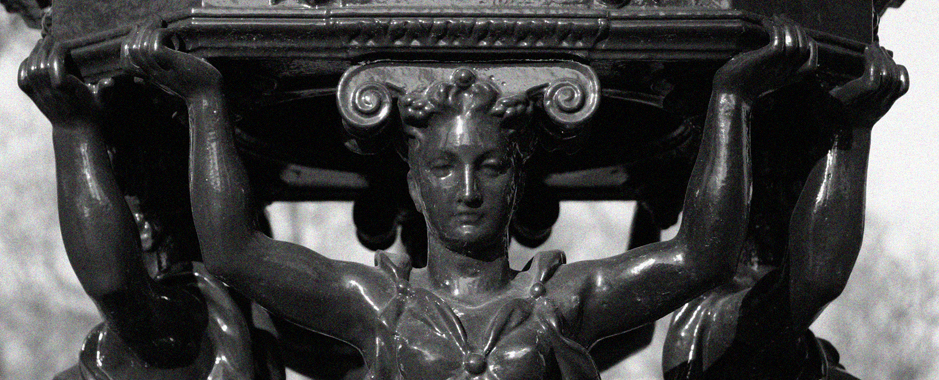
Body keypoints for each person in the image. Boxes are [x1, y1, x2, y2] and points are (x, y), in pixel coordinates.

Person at [121, 16, 815, 379]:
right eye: (443, 168)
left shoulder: (559, 303)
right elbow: (234, 252)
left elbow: (701, 255)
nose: (466, 189)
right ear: (413, 185)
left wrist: (729, 101)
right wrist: (206, 100)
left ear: (518, 179)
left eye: (490, 167)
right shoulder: (379, 308)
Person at [19, 36, 262, 379]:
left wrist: (74, 129)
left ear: (143, 227)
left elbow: (117, 291)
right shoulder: (239, 316)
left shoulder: (190, 327)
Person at [662, 44, 909, 379]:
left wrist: (651, 213)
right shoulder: (711, 321)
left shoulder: (711, 318)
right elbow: (815, 281)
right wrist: (848, 132)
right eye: (804, 186)